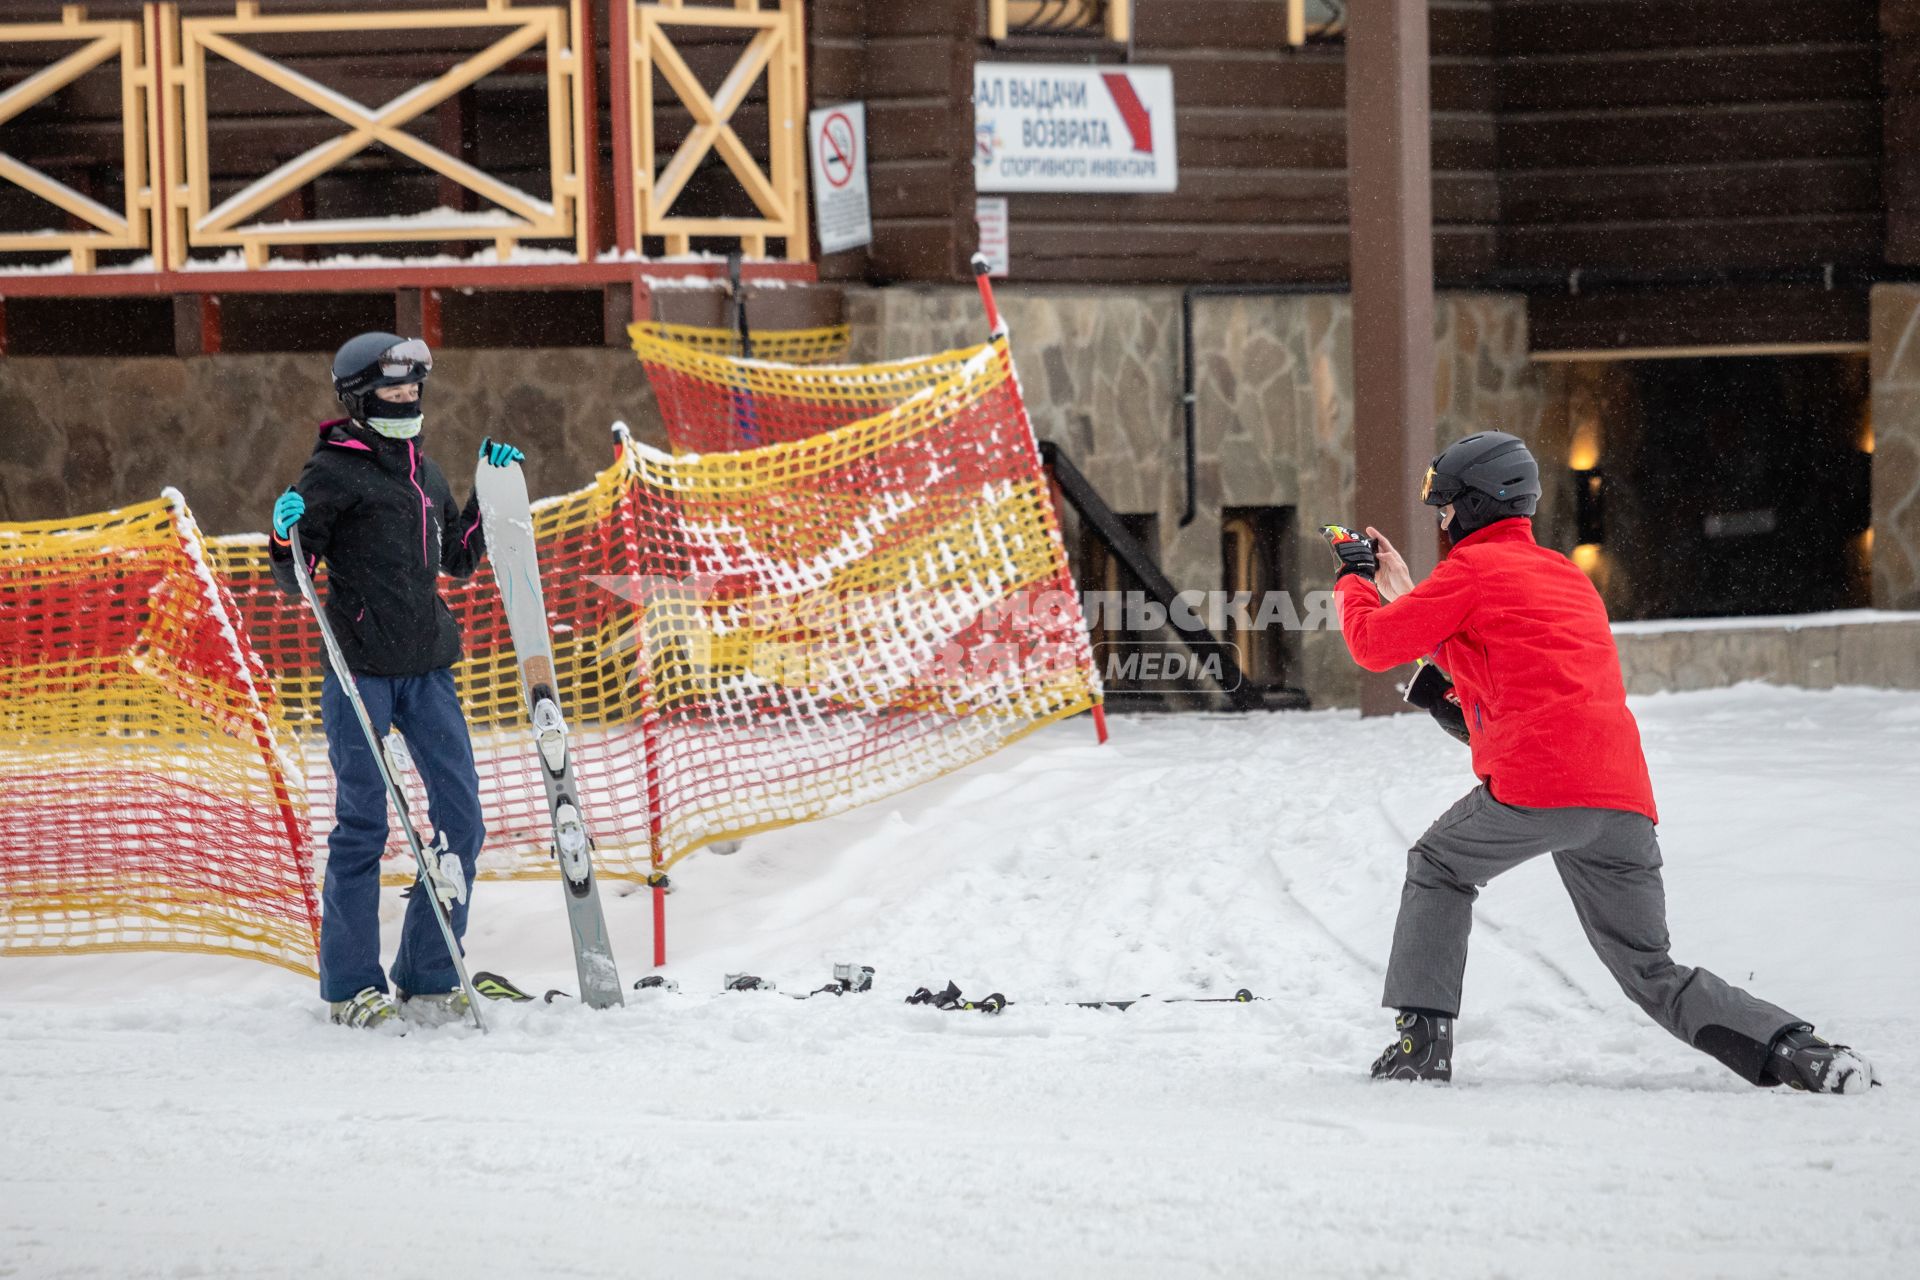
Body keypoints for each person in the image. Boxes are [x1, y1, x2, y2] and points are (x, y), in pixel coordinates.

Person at [1323, 431, 1874, 1093]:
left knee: (1438, 865)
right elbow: (1493, 654)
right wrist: (1406, 588)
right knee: (1650, 970)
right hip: (1619, 799)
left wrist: (1354, 582)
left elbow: (1373, 645)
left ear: (1469, 505)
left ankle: (1421, 1046)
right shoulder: (1565, 577)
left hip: (1539, 788)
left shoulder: (1471, 573)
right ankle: (1800, 1052)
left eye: (1444, 509)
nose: (1441, 521)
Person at [268, 332, 526, 1031]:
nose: (407, 398)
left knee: (460, 821)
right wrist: (280, 535)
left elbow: (460, 560)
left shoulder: (426, 473)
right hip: (361, 675)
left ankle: (429, 974)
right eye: (392, 389)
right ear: (358, 396)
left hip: (427, 670)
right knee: (364, 826)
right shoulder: (331, 473)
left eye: (415, 387)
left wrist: (486, 495)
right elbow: (292, 575)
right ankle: (352, 986)